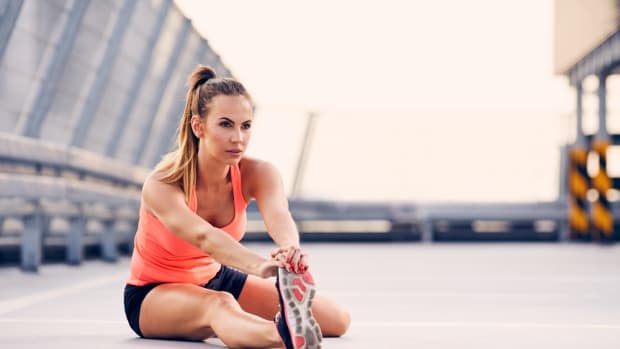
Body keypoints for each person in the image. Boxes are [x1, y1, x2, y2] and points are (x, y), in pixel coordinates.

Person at [123, 65, 350, 349]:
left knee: (335, 320)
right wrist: (260, 266)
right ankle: (285, 336)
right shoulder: (163, 183)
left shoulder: (259, 173)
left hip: (215, 276)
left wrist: (290, 248)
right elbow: (204, 237)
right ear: (199, 126)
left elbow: (279, 214)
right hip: (152, 295)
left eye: (246, 126)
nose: (238, 138)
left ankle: (285, 327)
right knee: (220, 305)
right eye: (226, 124)